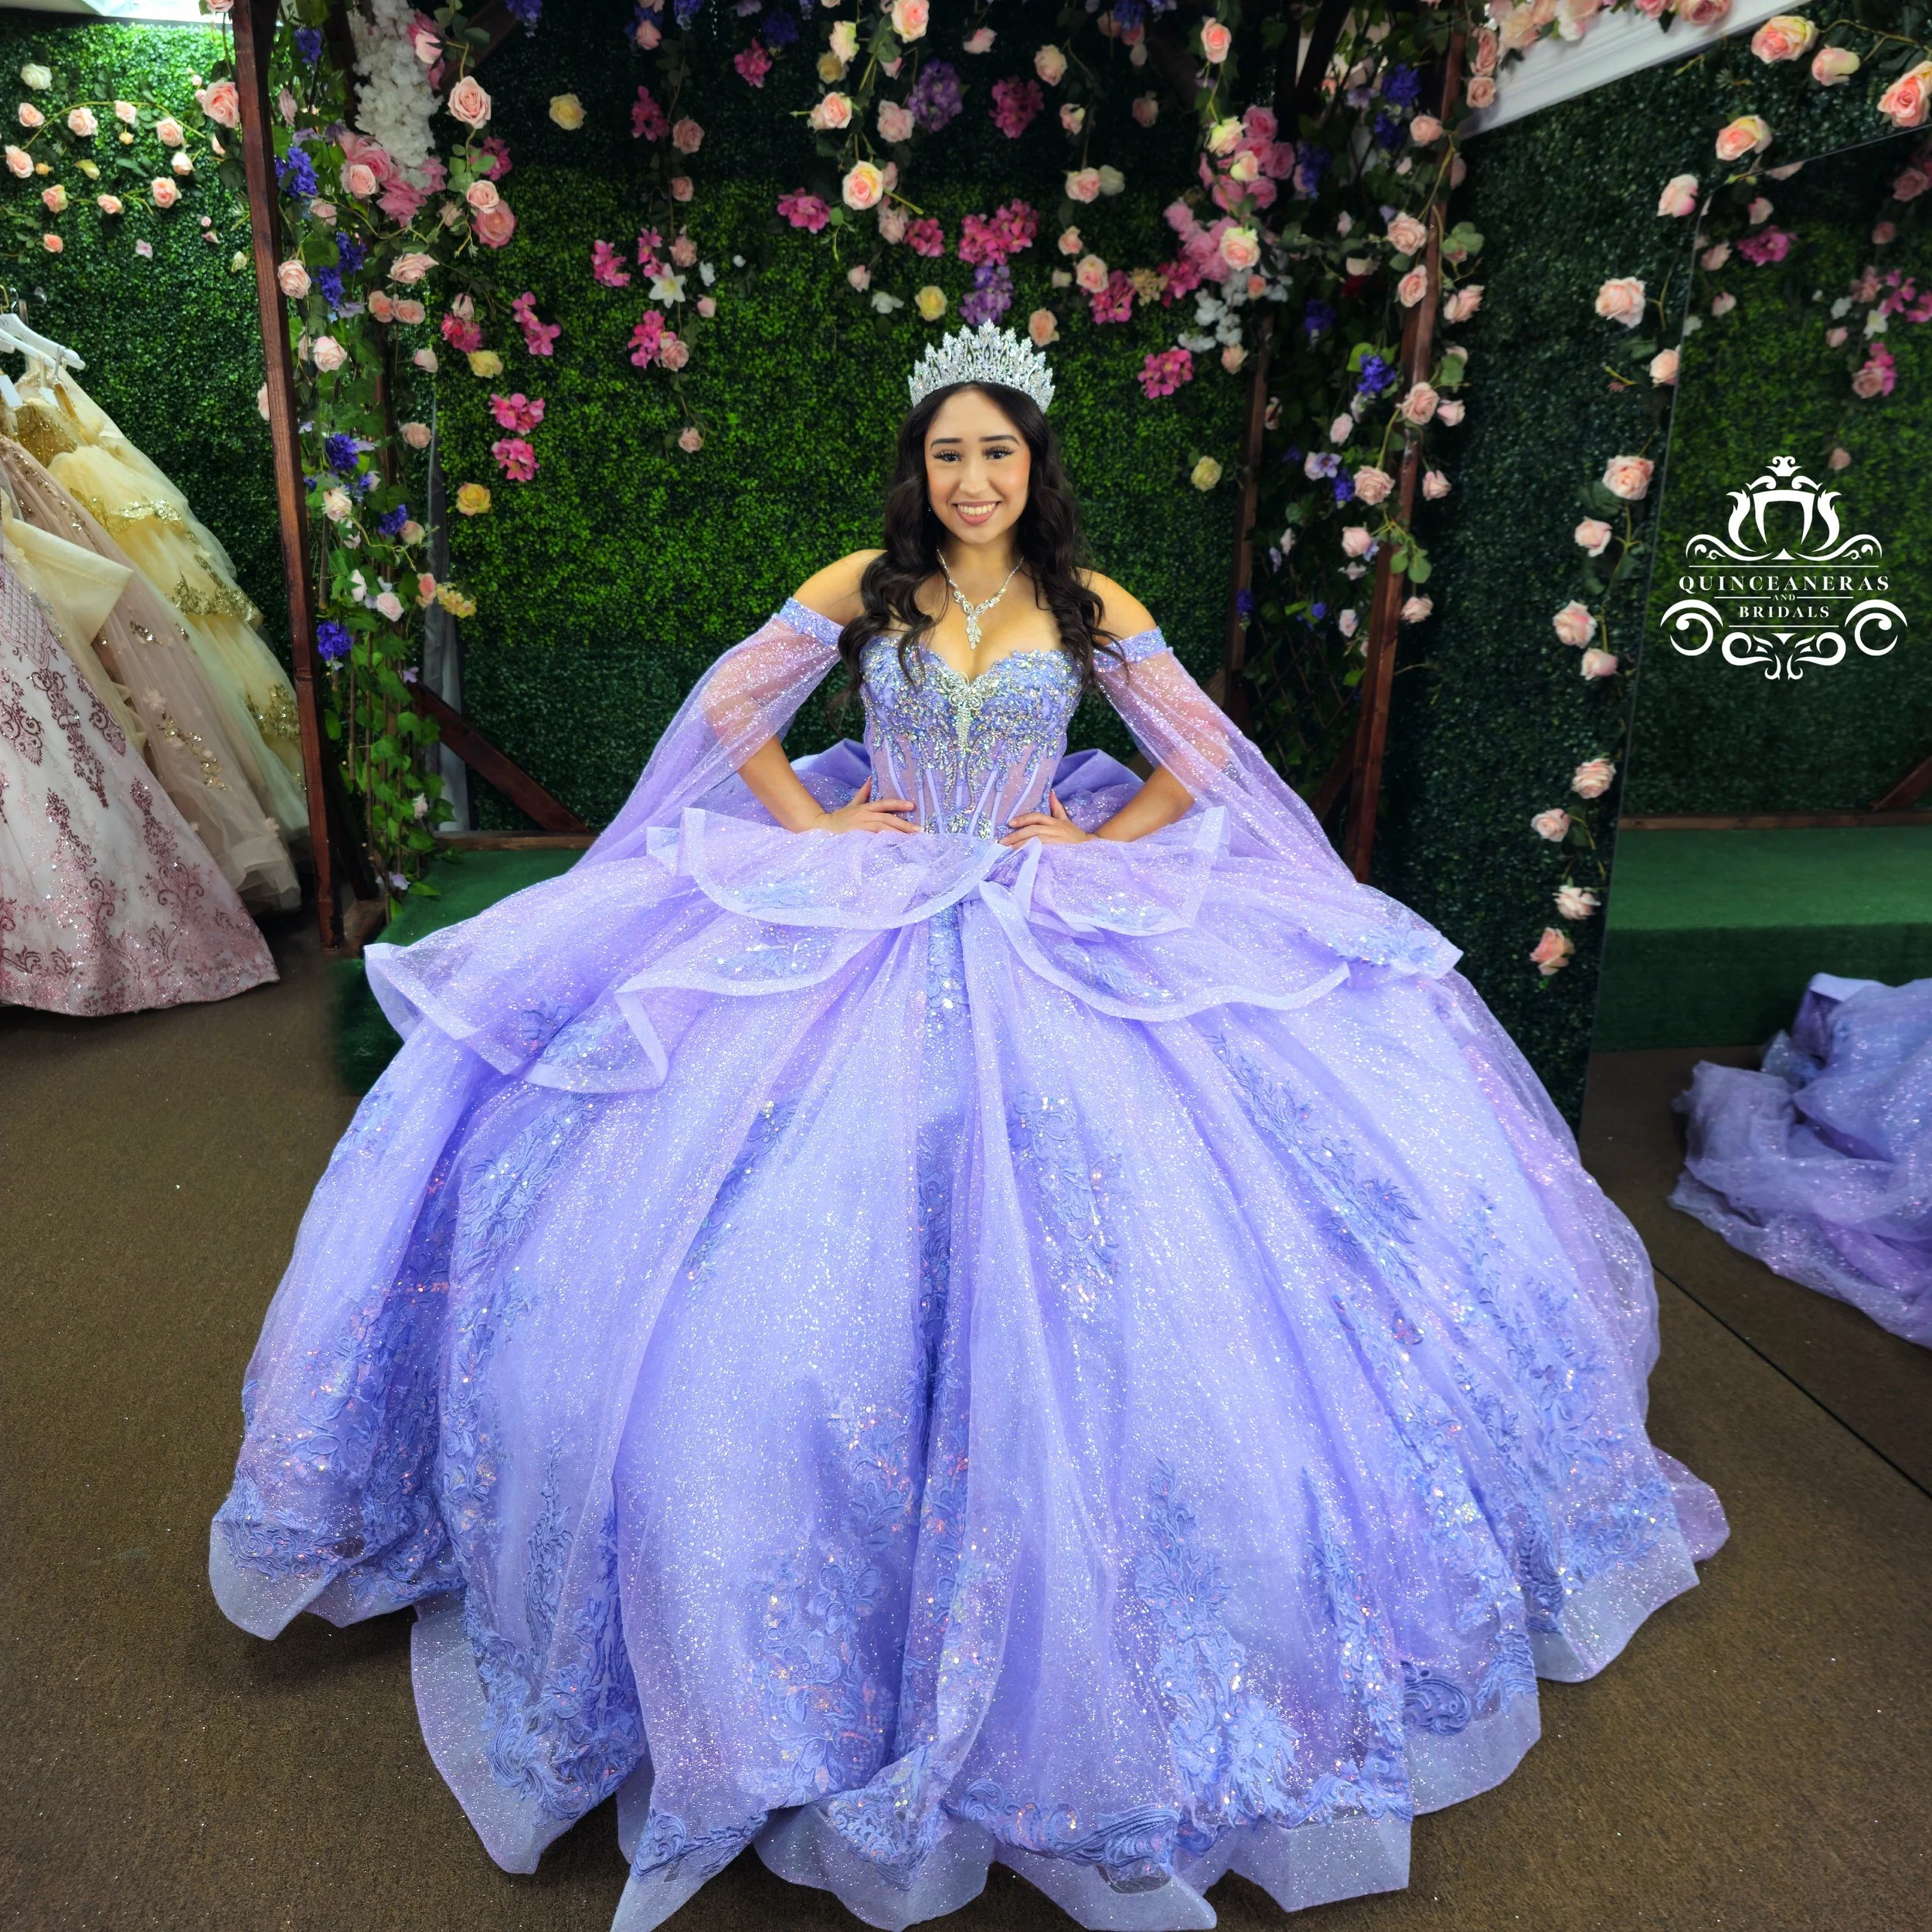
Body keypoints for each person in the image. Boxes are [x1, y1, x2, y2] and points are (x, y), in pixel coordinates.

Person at [209, 323, 1726, 1932]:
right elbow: (733, 696)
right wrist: (810, 812)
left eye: (997, 451)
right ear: (917, 467)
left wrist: (1097, 828)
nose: (972, 477)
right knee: (762, 1218)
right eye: (947, 451)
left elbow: (1200, 755)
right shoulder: (867, 576)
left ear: (1034, 466)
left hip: (1037, 898)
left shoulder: (1092, 606)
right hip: (868, 888)